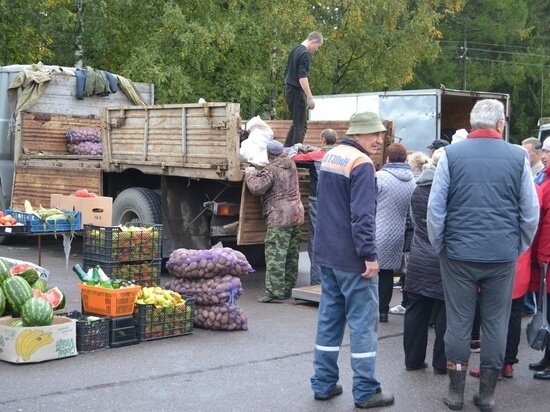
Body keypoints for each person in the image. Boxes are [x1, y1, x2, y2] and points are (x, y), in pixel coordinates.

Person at [427, 99, 539, 411]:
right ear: (500, 124)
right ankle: (487, 395)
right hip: (501, 254)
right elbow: (530, 212)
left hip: (459, 253)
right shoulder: (518, 157)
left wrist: (441, 246)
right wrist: (518, 246)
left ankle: (455, 392)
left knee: (459, 323)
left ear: (473, 123)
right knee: (495, 323)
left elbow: (436, 209)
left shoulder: (450, 154)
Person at [310, 112, 394, 409]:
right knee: (362, 325)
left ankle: (323, 383)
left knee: (329, 320)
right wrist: (370, 256)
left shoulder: (333, 156)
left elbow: (325, 206)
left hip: (327, 256)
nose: (379, 140)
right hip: (352, 260)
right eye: (374, 134)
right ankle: (366, 390)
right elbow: (362, 217)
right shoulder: (362, 164)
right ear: (358, 134)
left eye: (381, 135)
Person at [403, 148, 447, 374]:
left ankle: (412, 360)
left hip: (419, 257)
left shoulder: (417, 189)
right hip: (443, 260)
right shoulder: (450, 191)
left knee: (416, 311)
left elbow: (415, 222)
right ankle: (442, 364)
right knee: (445, 314)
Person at [244, 140, 304, 303]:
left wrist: (249, 173)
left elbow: (257, 188)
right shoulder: (291, 164)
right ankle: (287, 289)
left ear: (269, 155)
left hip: (280, 215)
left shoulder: (270, 170)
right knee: (291, 255)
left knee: (276, 254)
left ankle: (274, 292)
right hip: (297, 214)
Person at [291, 128, 337, 285]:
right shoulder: (342, 156)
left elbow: (293, 158)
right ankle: (334, 282)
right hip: (339, 204)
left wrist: (296, 147)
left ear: (322, 139)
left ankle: (317, 284)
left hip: (319, 203)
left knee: (316, 241)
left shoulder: (316, 156)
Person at [375, 143, 416, 322]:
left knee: (379, 271)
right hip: (405, 233)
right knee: (397, 272)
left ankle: (379, 310)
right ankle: (393, 307)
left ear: (387, 158)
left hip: (381, 230)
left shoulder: (380, 178)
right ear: (406, 159)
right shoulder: (413, 180)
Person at [529, 136, 550, 380]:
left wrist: (543, 254)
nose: (543, 155)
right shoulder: (545, 176)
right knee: (546, 308)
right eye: (543, 151)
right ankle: (547, 356)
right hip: (543, 255)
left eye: (547, 152)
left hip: (547, 256)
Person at [284, 32, 323, 147]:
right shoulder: (305, 54)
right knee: (301, 126)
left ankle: (286, 152)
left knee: (296, 124)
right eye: (318, 47)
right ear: (314, 41)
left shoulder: (295, 50)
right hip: (296, 91)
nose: (316, 50)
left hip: (288, 90)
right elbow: (302, 77)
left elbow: (286, 72)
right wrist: (309, 97)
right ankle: (295, 156)